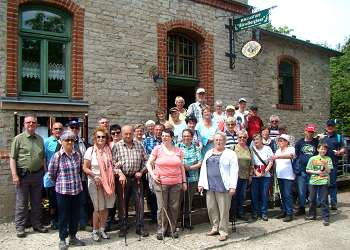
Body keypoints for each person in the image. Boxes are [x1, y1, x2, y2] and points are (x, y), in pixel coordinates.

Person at [10, 115, 48, 238]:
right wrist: (14, 175)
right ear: (24, 124)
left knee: (37, 202)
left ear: (36, 124)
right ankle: (20, 227)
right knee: (22, 203)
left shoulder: (40, 139)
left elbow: (42, 158)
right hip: (23, 176)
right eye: (28, 122)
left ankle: (37, 224)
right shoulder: (18, 139)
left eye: (33, 122)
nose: (31, 124)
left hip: (38, 175)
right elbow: (12, 158)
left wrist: (45, 173)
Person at [146, 129, 187, 240]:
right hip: (161, 183)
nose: (164, 137)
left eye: (167, 136)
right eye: (163, 136)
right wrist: (153, 176)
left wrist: (184, 181)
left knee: (174, 207)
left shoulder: (178, 150)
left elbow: (181, 167)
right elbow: (148, 163)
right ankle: (161, 230)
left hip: (176, 183)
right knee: (162, 207)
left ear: (172, 137)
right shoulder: (157, 149)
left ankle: (172, 229)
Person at [48, 130, 85, 250]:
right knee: (63, 216)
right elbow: (51, 173)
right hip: (63, 191)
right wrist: (60, 183)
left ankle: (73, 236)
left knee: (75, 215)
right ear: (62, 142)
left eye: (71, 140)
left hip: (77, 190)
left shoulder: (77, 155)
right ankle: (62, 238)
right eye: (67, 140)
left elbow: (79, 171)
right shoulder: (57, 156)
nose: (70, 142)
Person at [198, 132, 238, 241]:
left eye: (220, 140)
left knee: (224, 210)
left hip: (223, 186)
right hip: (210, 185)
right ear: (214, 141)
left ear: (225, 141)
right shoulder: (209, 152)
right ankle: (215, 227)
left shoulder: (230, 154)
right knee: (211, 208)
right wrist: (201, 183)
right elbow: (203, 169)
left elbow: (234, 171)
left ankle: (223, 231)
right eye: (216, 140)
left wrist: (233, 186)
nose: (218, 142)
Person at [113, 125, 149, 237]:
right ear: (122, 134)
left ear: (133, 133)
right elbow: (113, 163)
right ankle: (123, 227)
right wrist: (120, 174)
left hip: (137, 178)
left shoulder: (139, 145)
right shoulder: (117, 146)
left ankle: (140, 227)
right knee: (123, 204)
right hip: (123, 178)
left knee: (139, 204)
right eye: (126, 134)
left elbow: (147, 161)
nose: (128, 136)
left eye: (130, 133)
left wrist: (142, 171)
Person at [83, 127, 116, 241]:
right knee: (98, 207)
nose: (101, 139)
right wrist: (94, 175)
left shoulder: (109, 150)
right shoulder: (90, 150)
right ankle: (95, 231)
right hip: (95, 181)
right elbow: (85, 168)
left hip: (108, 182)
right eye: (98, 137)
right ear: (95, 138)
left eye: (103, 137)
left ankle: (102, 229)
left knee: (106, 207)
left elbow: (113, 165)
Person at [67, 119, 91, 231]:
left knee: (83, 200)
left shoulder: (84, 143)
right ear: (68, 129)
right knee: (70, 201)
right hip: (69, 179)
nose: (74, 130)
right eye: (72, 127)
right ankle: (71, 224)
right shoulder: (63, 143)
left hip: (82, 177)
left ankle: (83, 223)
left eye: (77, 128)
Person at [177, 129, 202, 229]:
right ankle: (177, 219)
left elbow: (200, 163)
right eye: (184, 136)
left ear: (192, 137)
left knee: (188, 200)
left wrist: (190, 167)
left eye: (188, 136)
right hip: (179, 178)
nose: (186, 138)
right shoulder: (177, 147)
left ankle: (186, 220)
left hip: (192, 178)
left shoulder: (196, 148)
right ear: (182, 137)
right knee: (178, 200)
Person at [305, 143, 333, 226]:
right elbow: (307, 170)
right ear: (318, 149)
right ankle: (312, 215)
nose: (323, 150)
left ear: (326, 150)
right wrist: (316, 172)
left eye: (324, 149)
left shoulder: (328, 159)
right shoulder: (312, 158)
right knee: (312, 199)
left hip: (324, 181)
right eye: (321, 149)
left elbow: (329, 171)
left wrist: (325, 164)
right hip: (313, 181)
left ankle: (326, 218)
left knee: (323, 200)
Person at [294, 124, 318, 216]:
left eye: (312, 132)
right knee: (301, 192)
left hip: (313, 172)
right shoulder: (299, 143)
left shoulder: (316, 142)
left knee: (312, 192)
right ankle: (302, 208)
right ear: (305, 131)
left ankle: (312, 211)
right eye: (309, 131)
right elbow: (296, 156)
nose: (310, 133)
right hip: (302, 171)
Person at [321, 119, 345, 210]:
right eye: (328, 126)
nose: (330, 127)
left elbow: (343, 148)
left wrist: (339, 152)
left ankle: (333, 203)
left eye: (332, 126)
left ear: (334, 127)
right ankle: (323, 202)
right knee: (322, 183)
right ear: (326, 126)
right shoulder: (322, 137)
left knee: (332, 184)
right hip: (322, 164)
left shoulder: (338, 137)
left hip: (333, 164)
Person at [44, 122, 63, 229]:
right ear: (52, 130)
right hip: (50, 176)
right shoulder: (47, 142)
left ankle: (59, 219)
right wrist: (46, 172)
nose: (58, 131)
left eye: (60, 129)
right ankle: (51, 218)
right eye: (56, 129)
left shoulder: (65, 141)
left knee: (60, 199)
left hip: (62, 177)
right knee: (49, 199)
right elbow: (43, 158)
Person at [143, 123, 164, 223]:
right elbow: (144, 155)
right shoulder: (147, 140)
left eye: (160, 130)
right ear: (153, 130)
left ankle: (162, 217)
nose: (159, 132)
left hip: (164, 170)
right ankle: (154, 217)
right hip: (151, 170)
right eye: (157, 130)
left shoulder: (166, 140)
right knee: (151, 194)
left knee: (162, 193)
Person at [250, 133, 274, 221]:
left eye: (257, 139)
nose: (256, 141)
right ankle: (255, 212)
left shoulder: (267, 148)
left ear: (261, 140)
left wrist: (265, 172)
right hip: (255, 175)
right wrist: (256, 172)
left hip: (266, 175)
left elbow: (271, 161)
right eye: (254, 140)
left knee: (264, 194)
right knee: (255, 194)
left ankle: (264, 212)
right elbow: (251, 163)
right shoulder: (251, 149)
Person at [230, 130, 252, 221]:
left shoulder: (249, 149)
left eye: (244, 137)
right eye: (240, 137)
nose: (242, 139)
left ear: (247, 138)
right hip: (235, 176)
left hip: (245, 176)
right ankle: (232, 214)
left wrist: (250, 175)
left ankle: (241, 213)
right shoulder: (233, 148)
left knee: (242, 196)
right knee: (233, 196)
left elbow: (251, 164)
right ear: (237, 138)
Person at [272, 134, 295, 222]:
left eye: (281, 140)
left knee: (288, 195)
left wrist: (277, 157)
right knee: (283, 195)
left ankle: (290, 213)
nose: (279, 142)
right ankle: (284, 211)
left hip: (288, 176)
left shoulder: (291, 149)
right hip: (280, 175)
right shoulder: (277, 151)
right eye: (279, 140)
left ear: (286, 142)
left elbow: (290, 156)